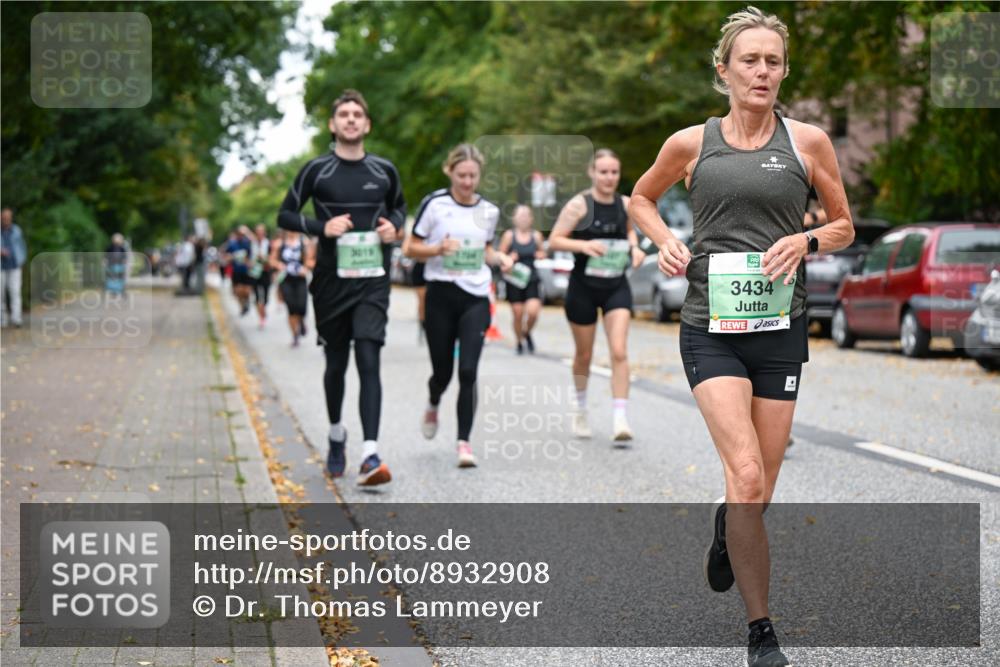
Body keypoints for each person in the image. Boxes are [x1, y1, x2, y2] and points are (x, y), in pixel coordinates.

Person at [628, 7, 855, 666]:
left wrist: (806, 237)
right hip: (711, 329)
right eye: (750, 60)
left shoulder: (808, 142)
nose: (763, 71)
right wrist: (666, 238)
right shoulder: (690, 144)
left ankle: (728, 525)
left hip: (780, 328)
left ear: (784, 71)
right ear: (724, 70)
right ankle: (762, 630)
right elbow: (642, 198)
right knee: (748, 472)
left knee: (760, 486)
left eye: (774, 61)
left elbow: (843, 224)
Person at [277, 89, 404, 487]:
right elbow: (285, 213)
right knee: (336, 365)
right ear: (333, 125)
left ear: (366, 125)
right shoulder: (317, 171)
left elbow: (398, 207)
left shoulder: (384, 170)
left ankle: (370, 453)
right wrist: (320, 227)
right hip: (331, 282)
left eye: (357, 115)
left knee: (369, 358)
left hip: (373, 282)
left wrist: (392, 228)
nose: (350, 120)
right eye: (343, 115)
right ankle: (336, 435)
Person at [404, 143, 512, 468]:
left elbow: (487, 250)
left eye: (473, 176)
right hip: (440, 294)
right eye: (461, 175)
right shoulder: (435, 205)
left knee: (468, 370)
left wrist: (500, 258)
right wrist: (437, 249)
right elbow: (410, 248)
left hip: (476, 296)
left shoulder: (489, 211)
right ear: (450, 172)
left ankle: (463, 442)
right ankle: (434, 399)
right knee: (443, 372)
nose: (467, 182)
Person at [548, 149, 645, 444]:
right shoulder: (579, 205)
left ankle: (620, 418)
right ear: (592, 173)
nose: (609, 177)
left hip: (616, 285)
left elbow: (630, 232)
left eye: (614, 172)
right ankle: (580, 407)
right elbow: (554, 240)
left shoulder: (626, 204)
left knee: (619, 351)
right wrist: (583, 247)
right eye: (603, 172)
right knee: (585, 355)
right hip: (583, 288)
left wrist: (636, 248)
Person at [497, 205, 547, 354]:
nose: (524, 218)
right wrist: (508, 259)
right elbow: (500, 256)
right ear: (514, 219)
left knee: (532, 312)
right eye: (520, 215)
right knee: (518, 314)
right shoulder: (509, 236)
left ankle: (526, 333)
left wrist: (541, 255)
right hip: (515, 279)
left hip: (531, 278)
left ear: (531, 219)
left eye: (526, 215)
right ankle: (519, 342)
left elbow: (543, 252)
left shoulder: (536, 235)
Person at [269, 229, 315, 347]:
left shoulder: (304, 242)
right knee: (291, 307)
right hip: (285, 279)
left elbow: (310, 260)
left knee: (301, 306)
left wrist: (305, 268)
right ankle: (295, 335)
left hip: (300, 279)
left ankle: (301, 321)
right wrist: (279, 265)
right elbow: (272, 260)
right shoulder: (280, 243)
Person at [1, 207, 27, 328]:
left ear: (11, 218)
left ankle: (16, 319)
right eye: (3, 217)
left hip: (15, 265)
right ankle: (2, 319)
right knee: (1, 294)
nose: (5, 219)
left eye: (7, 217)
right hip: (1, 267)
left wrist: (22, 261)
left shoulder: (16, 230)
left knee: (15, 292)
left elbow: (22, 246)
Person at [222, 226, 254, 315]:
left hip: (246, 270)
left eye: (242, 235)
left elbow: (251, 255)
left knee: (247, 290)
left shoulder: (247, 243)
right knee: (238, 290)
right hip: (236, 270)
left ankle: (246, 301)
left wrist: (249, 262)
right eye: (239, 234)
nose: (241, 236)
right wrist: (230, 257)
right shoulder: (232, 244)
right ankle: (243, 306)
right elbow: (225, 254)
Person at [250, 224, 273, 329]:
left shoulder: (268, 244)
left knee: (266, 297)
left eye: (261, 232)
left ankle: (263, 310)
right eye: (258, 232)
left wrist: (265, 259)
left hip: (265, 272)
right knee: (257, 296)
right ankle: (261, 317)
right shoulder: (252, 244)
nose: (259, 234)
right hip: (255, 272)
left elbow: (273, 258)